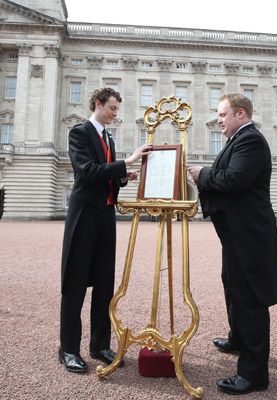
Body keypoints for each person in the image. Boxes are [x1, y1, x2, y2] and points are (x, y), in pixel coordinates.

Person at [188, 93, 277, 395]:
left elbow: (234, 180)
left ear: (241, 114)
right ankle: (238, 339)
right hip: (237, 232)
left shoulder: (250, 140)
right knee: (232, 285)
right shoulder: (237, 140)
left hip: (249, 234)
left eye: (223, 114)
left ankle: (253, 375)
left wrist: (203, 175)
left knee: (249, 298)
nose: (219, 119)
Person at [59, 87, 151, 373]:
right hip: (84, 215)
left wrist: (124, 175)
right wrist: (127, 162)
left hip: (105, 217)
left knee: (104, 286)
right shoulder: (79, 133)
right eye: (112, 108)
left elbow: (106, 174)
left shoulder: (107, 137)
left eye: (116, 110)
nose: (115, 114)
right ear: (98, 104)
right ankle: (68, 349)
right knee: (74, 285)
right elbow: (87, 171)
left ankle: (99, 345)